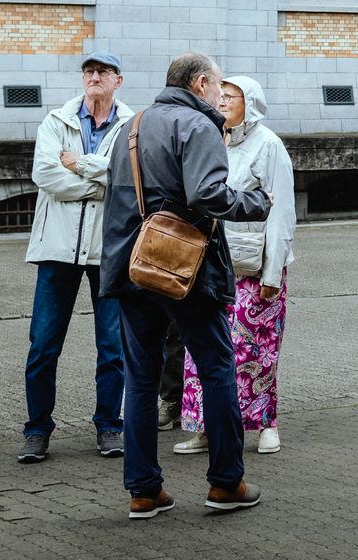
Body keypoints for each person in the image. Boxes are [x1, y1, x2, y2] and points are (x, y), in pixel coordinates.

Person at [103, 52, 270, 520]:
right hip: (184, 269)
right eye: (218, 86)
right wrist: (256, 202)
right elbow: (207, 195)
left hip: (133, 266)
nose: (221, 95)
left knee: (140, 379)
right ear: (200, 84)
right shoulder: (198, 126)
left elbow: (115, 198)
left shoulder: (131, 126)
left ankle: (143, 491)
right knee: (217, 367)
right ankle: (226, 482)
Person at [17, 51, 135, 464]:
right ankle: (36, 430)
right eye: (89, 71)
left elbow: (132, 180)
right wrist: (100, 180)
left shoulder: (131, 127)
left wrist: (78, 165)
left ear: (118, 80)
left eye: (103, 72)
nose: (94, 77)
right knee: (43, 345)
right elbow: (46, 176)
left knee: (113, 347)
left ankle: (109, 426)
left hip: (109, 251)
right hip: (57, 249)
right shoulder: (56, 121)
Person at [173, 75, 297, 457]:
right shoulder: (208, 137)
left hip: (252, 268)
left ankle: (265, 424)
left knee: (257, 352)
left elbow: (282, 213)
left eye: (233, 96)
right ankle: (203, 427)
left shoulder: (269, 146)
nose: (223, 101)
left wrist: (273, 272)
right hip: (209, 265)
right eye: (220, 95)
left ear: (252, 103)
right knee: (201, 350)